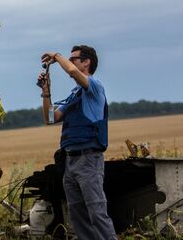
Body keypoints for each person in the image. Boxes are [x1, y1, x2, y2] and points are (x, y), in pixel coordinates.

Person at [38, 45, 117, 240]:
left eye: (74, 58)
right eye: (70, 59)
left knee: (97, 212)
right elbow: (50, 118)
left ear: (86, 62)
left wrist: (56, 56)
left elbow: (72, 72)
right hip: (71, 162)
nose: (70, 61)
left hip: (88, 159)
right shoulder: (74, 95)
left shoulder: (94, 87)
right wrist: (46, 92)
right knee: (77, 215)